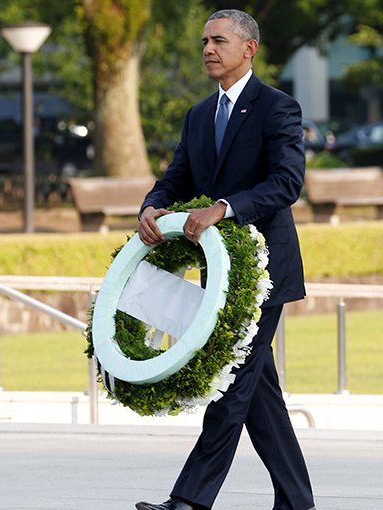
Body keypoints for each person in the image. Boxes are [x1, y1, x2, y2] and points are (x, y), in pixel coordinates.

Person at [134, 9, 315, 510]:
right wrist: (153, 204)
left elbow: (287, 182)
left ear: (248, 49)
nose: (208, 49)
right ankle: (298, 503)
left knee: (231, 384)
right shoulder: (198, 114)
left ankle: (190, 501)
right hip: (220, 275)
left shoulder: (278, 108)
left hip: (265, 275)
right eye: (205, 41)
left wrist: (225, 208)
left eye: (219, 40)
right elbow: (177, 177)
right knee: (260, 396)